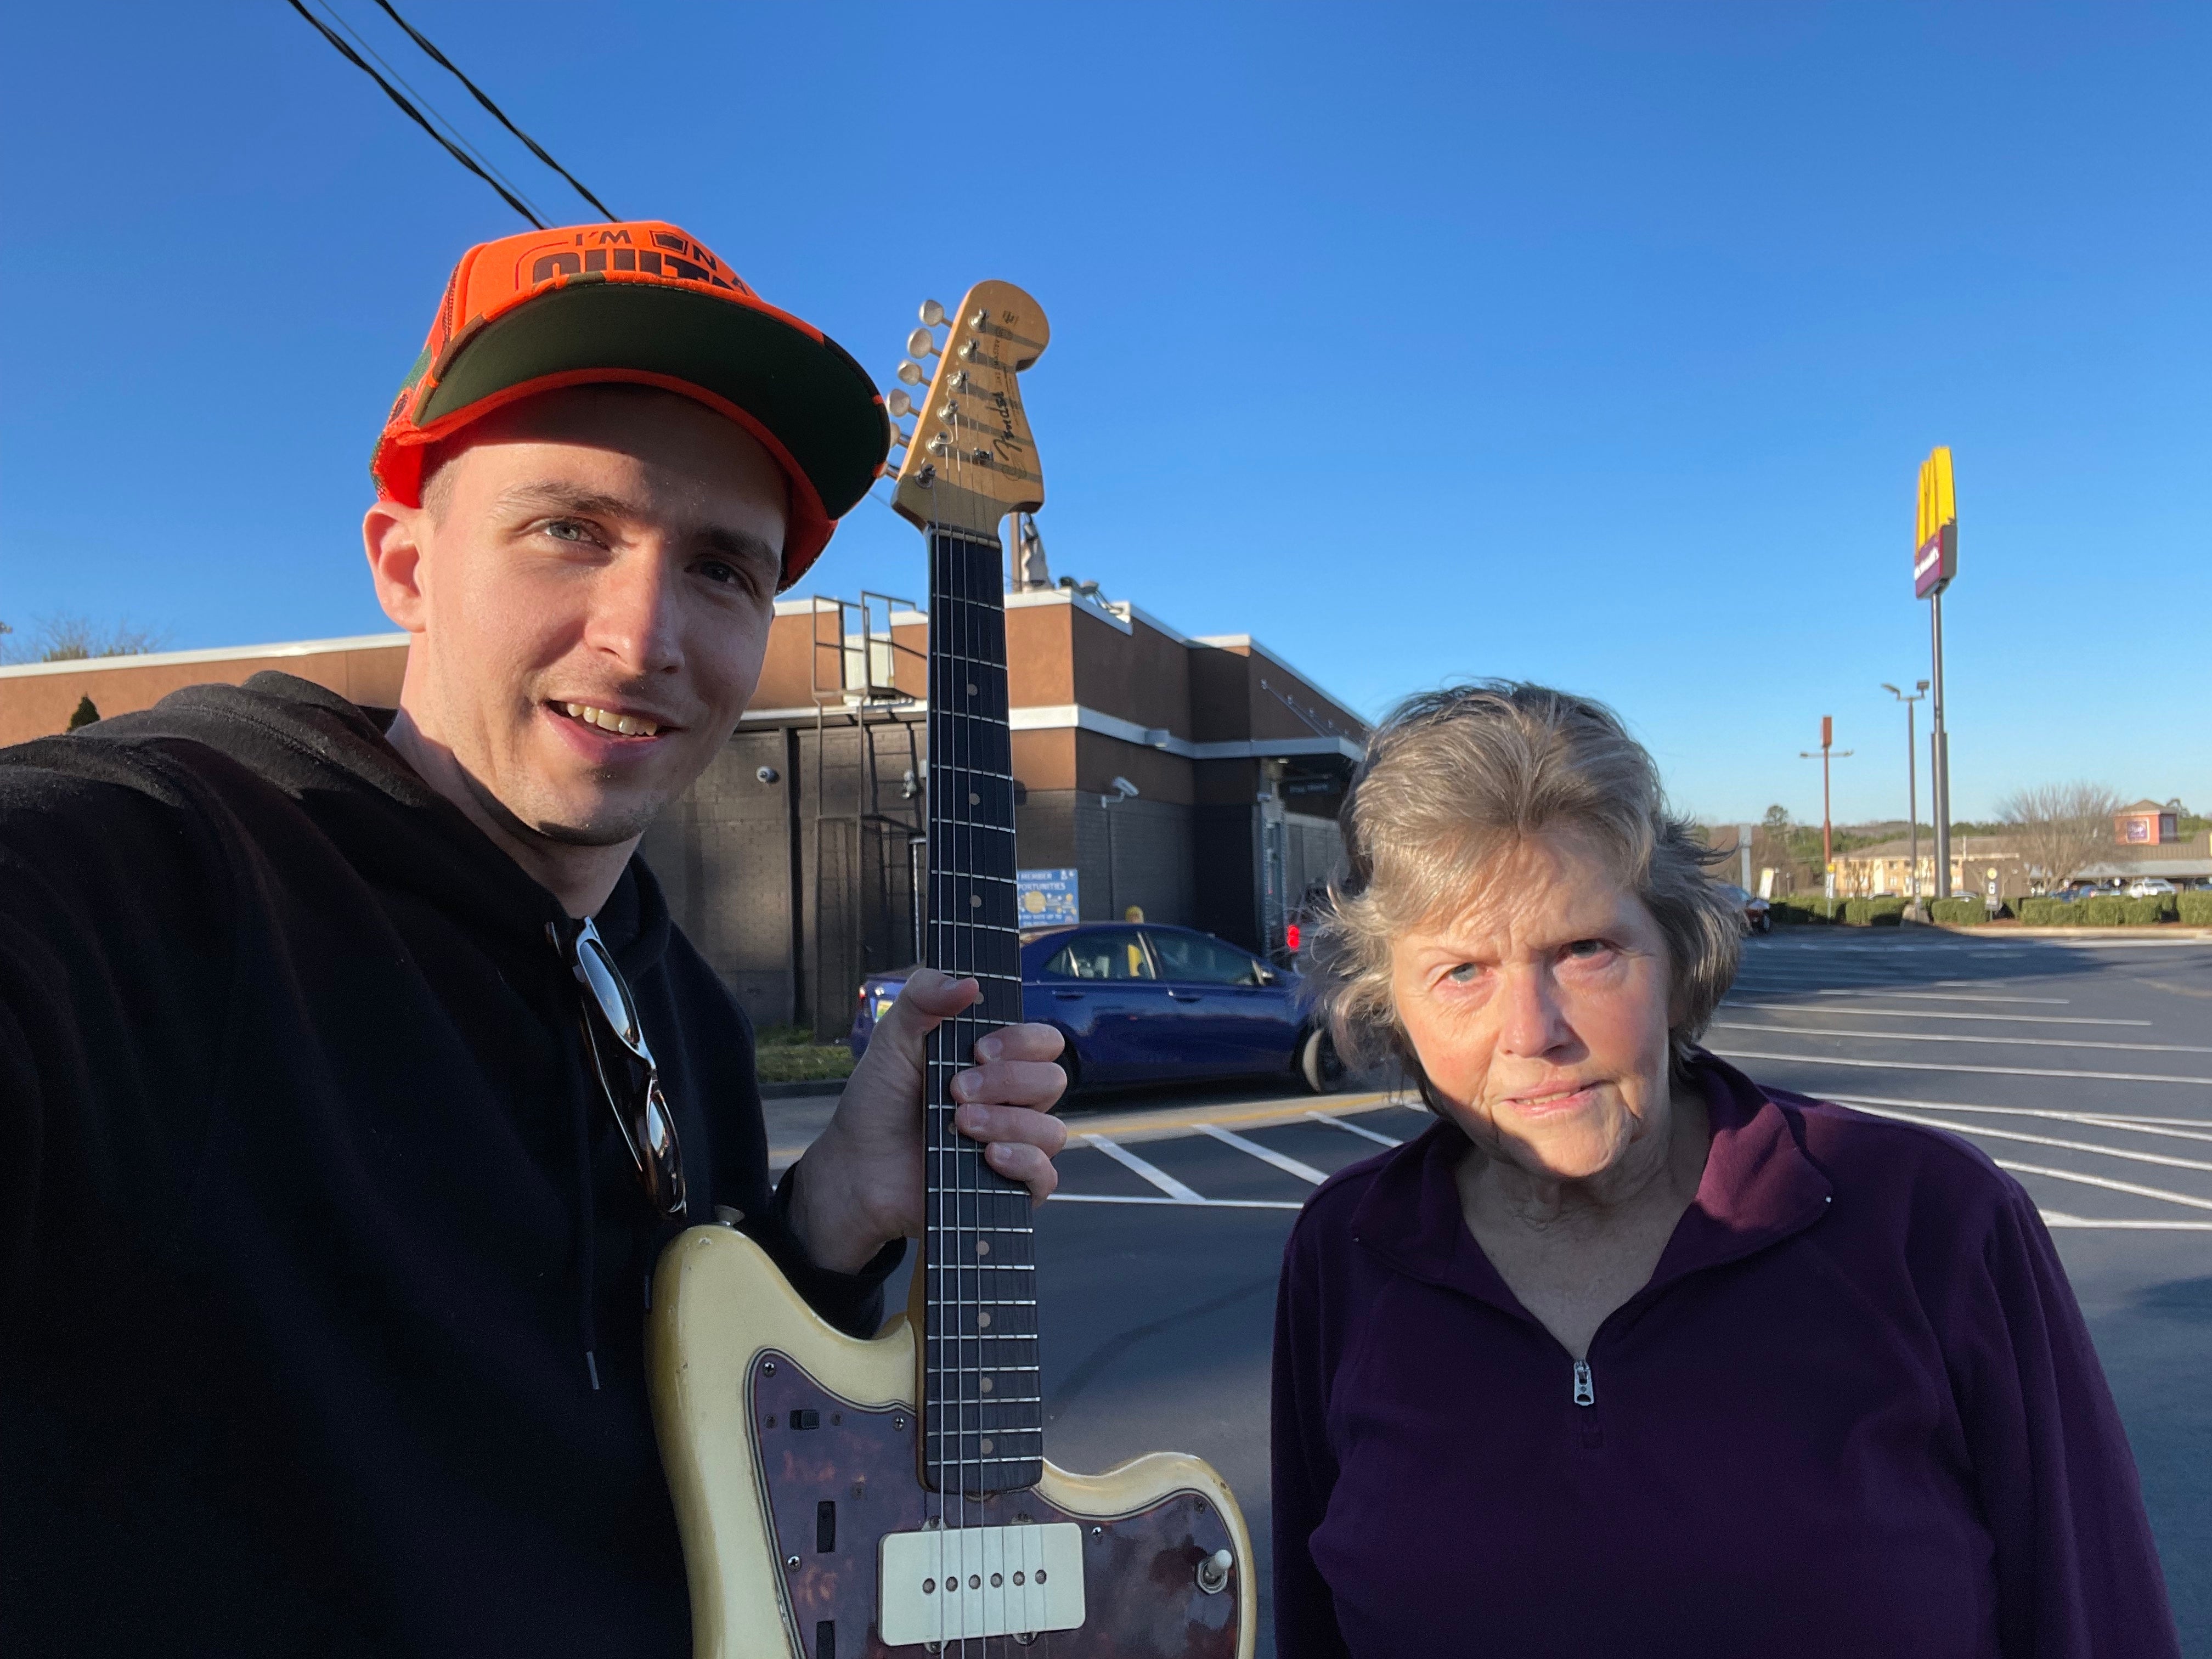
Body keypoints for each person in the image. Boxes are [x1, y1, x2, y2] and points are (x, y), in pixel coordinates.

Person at [0, 221, 1069, 1655]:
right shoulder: (155, 877)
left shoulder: (669, 988)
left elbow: (679, 1439)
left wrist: (831, 1221)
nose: (644, 638)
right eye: (571, 528)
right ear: (405, 563)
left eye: (722, 569)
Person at [1272, 682, 2177, 1658]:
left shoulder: (1933, 1221)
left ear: (1675, 958)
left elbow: (2096, 1619)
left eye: (1585, 950)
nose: (1533, 1034)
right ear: (1392, 1006)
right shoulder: (1349, 1254)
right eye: (1462, 973)